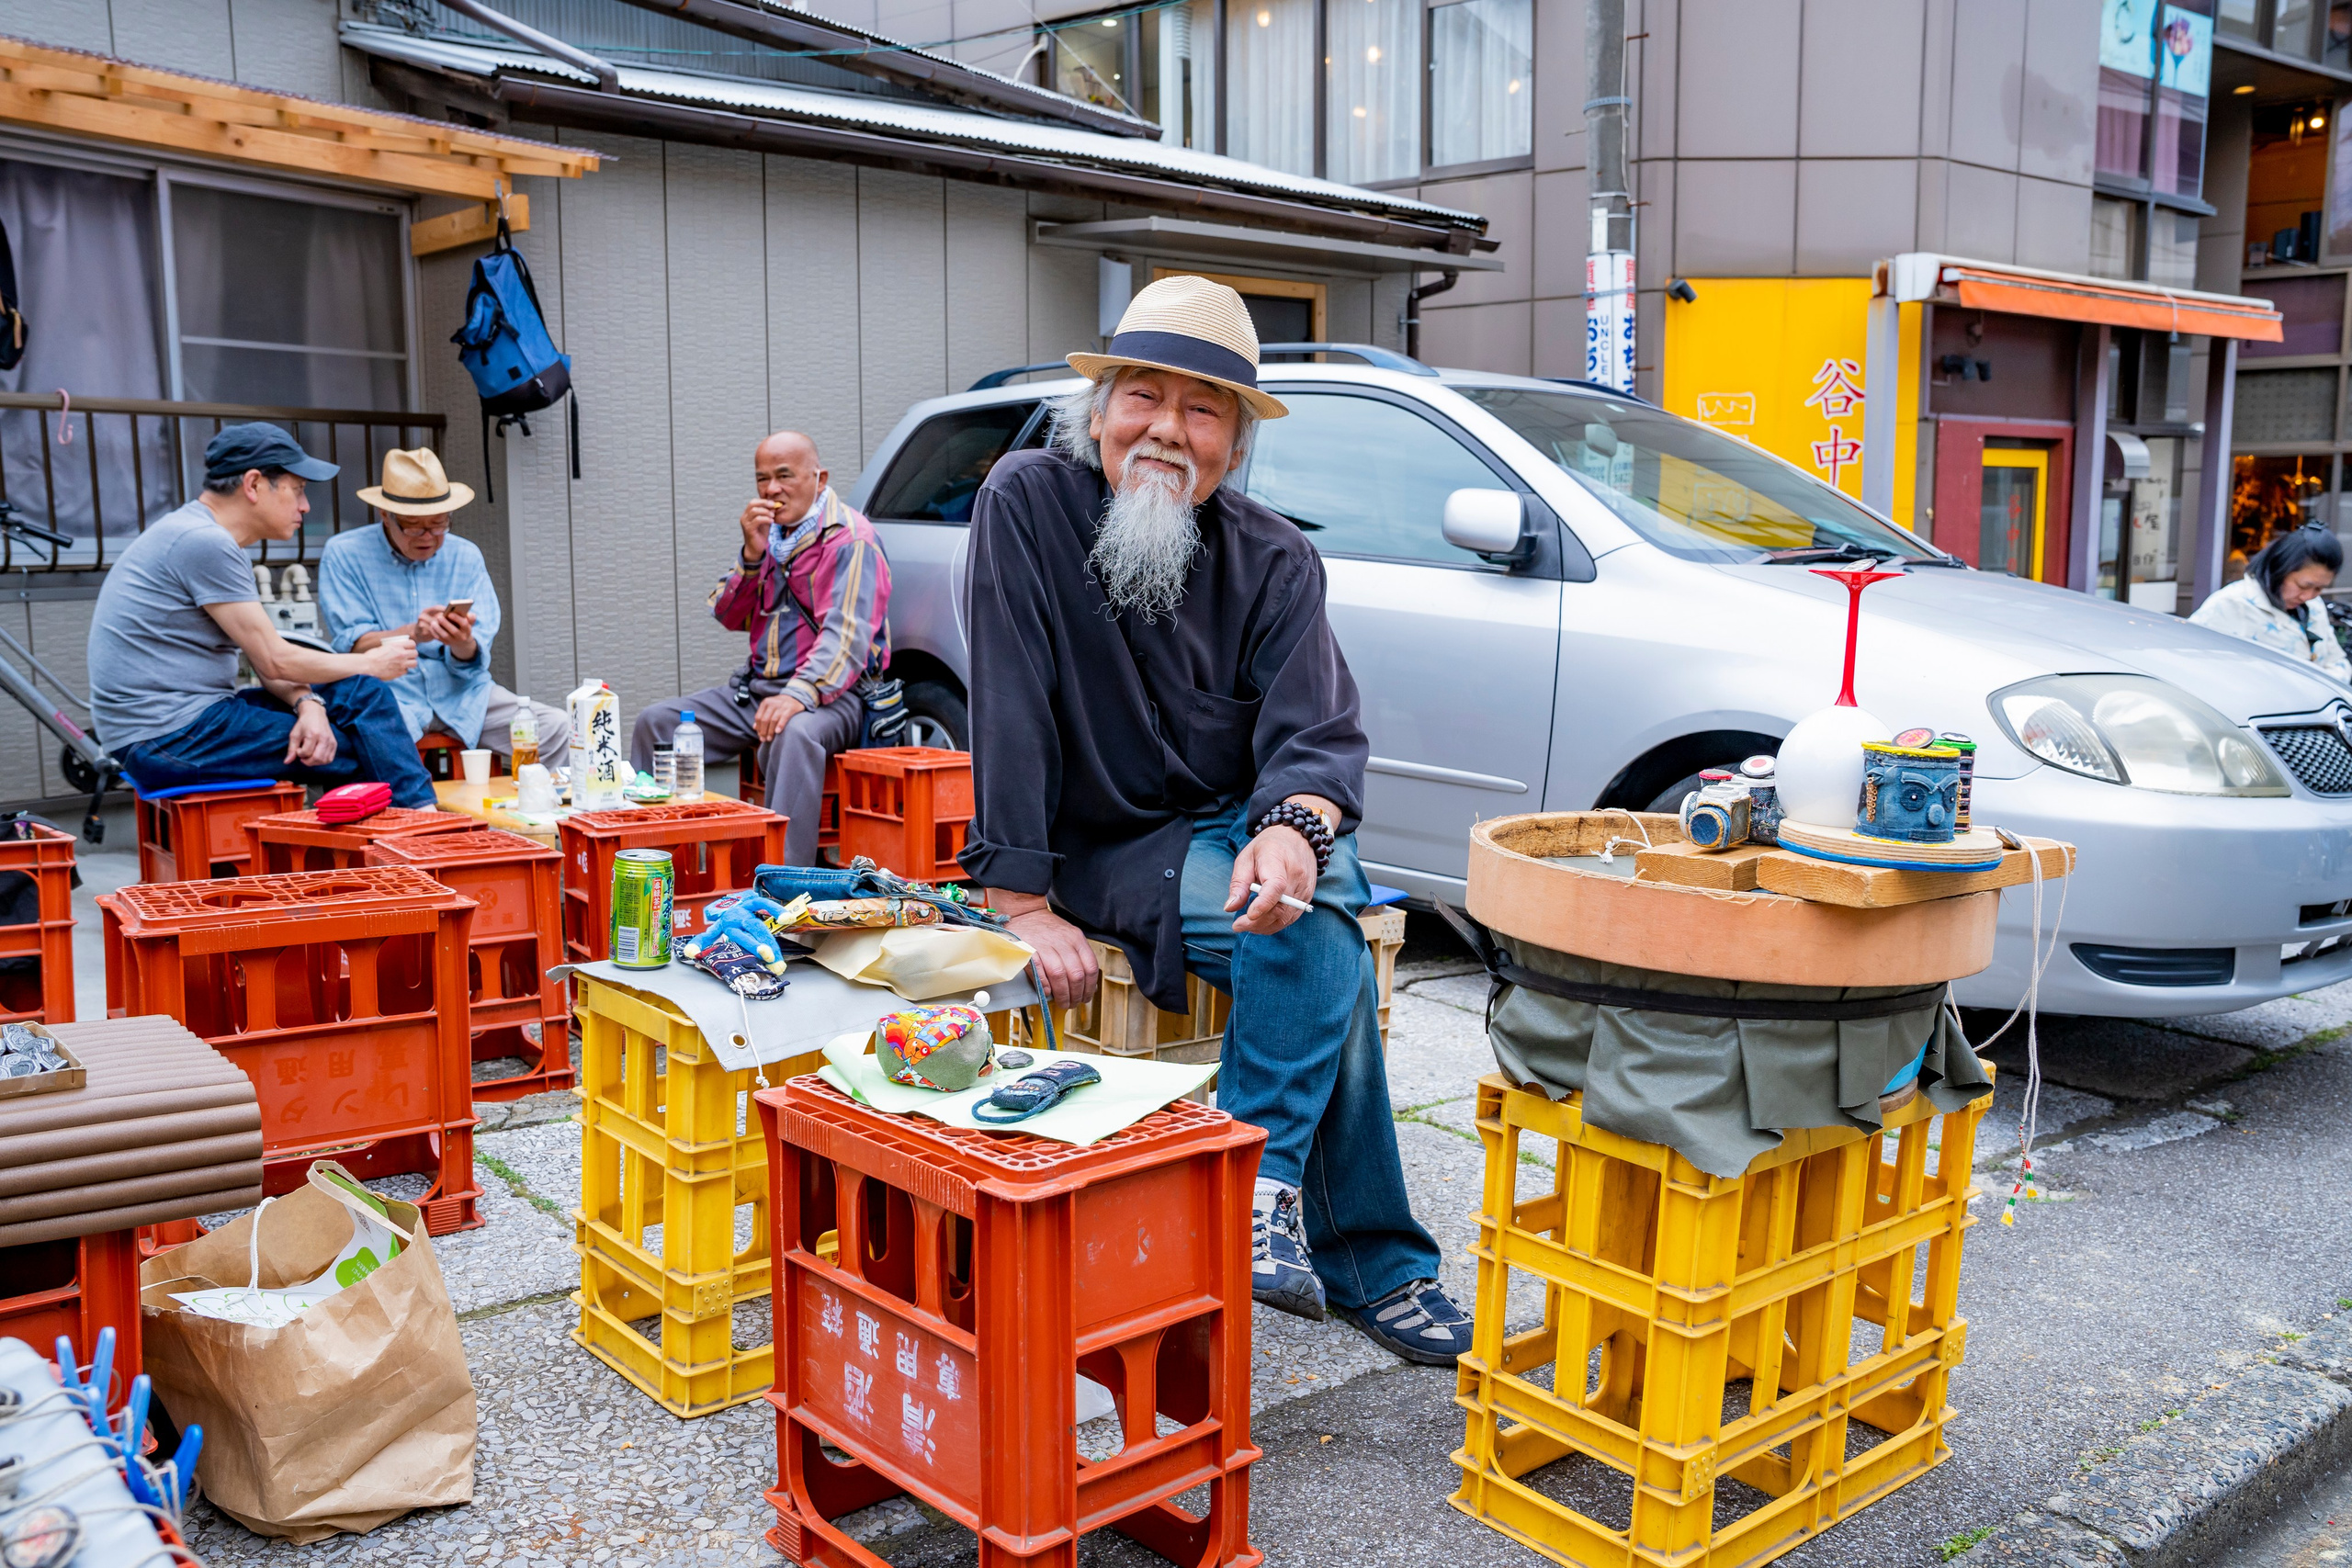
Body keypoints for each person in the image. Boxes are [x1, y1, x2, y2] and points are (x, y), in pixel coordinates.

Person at [956, 275, 1471, 1365]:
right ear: (1098, 412)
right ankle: (1358, 1249)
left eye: (1202, 411)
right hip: (1107, 848)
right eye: (1143, 396)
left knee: (1308, 883)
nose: (1166, 429)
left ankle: (1261, 1190)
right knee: (1324, 939)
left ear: (1235, 446)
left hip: (1239, 831)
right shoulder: (1026, 499)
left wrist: (1292, 829)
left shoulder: (1275, 558)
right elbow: (1008, 703)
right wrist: (1019, 900)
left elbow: (1316, 732)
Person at [86, 423, 435, 807]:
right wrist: (371, 662)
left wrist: (309, 704)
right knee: (362, 747)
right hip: (169, 738)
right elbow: (275, 660)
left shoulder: (202, 534)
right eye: (297, 489)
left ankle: (417, 820)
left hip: (189, 724)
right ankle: (421, 826)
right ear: (253, 484)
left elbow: (265, 660)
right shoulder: (204, 542)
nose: (305, 506)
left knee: (360, 694)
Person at [631, 431, 891, 863]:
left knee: (794, 734)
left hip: (835, 697)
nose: (772, 489)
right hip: (759, 691)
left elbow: (847, 640)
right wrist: (751, 557)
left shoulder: (851, 539)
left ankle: (783, 883)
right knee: (657, 723)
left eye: (784, 476)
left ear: (820, 479)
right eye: (762, 479)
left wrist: (797, 695)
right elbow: (729, 615)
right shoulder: (769, 537)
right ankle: (648, 865)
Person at [317, 447, 571, 764]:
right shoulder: (345, 553)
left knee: (557, 727)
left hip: (465, 693)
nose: (428, 537)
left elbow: (474, 659)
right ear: (385, 515)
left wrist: (461, 642)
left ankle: (537, 797)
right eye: (414, 526)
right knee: (368, 739)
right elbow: (352, 645)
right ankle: (411, 799)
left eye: (439, 524)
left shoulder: (465, 555)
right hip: (391, 693)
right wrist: (414, 633)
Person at [2189, 522, 2351, 682]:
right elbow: (2189, 664)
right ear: (2280, 568)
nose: (2308, 596)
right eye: (2303, 586)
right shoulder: (2229, 604)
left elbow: (2337, 661)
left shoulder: (2315, 605)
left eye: (2319, 589)